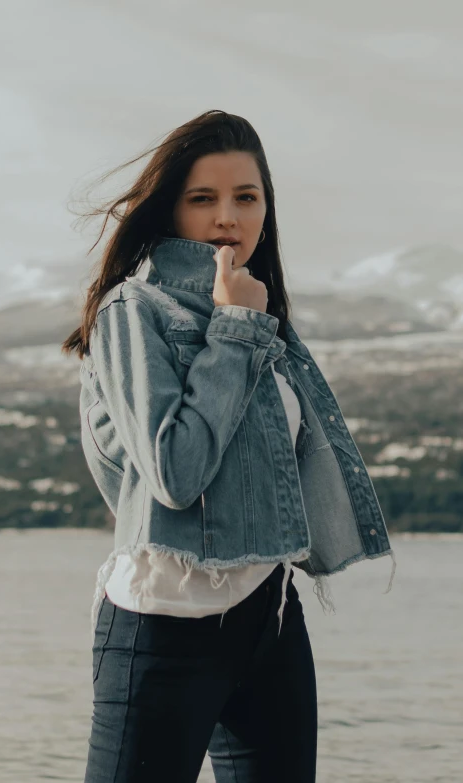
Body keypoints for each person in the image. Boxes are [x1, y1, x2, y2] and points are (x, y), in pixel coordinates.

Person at [62, 109, 397, 782]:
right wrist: (238, 327)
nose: (227, 218)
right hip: (163, 625)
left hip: (267, 620)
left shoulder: (256, 308)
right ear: (169, 209)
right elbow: (172, 473)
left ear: (266, 208)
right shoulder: (136, 311)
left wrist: (245, 317)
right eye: (203, 199)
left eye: (246, 197)